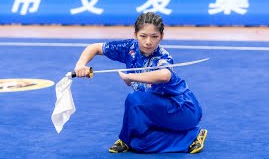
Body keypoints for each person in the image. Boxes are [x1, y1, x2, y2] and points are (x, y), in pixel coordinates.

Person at [74, 12, 207, 154]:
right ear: (135, 34)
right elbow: (94, 48)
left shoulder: (162, 56)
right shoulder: (128, 48)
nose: (148, 41)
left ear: (161, 36)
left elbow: (164, 75)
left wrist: (131, 77)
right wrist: (80, 65)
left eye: (154, 36)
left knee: (134, 99)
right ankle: (189, 138)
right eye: (143, 36)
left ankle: (124, 140)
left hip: (183, 109)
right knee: (139, 144)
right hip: (157, 109)